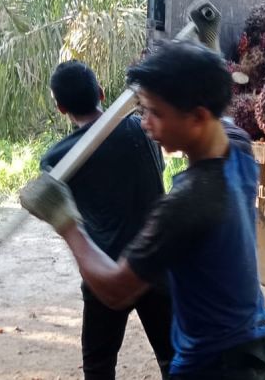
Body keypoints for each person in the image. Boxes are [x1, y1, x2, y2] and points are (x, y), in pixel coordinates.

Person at [23, 43, 265, 379]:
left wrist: (65, 222)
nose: (145, 124)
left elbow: (116, 290)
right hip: (260, 351)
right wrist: (209, 43)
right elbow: (224, 118)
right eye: (142, 110)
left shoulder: (185, 204)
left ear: (198, 116)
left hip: (215, 368)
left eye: (155, 112)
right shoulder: (240, 149)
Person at [42, 60, 174, 379]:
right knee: (175, 359)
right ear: (101, 92)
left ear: (60, 107)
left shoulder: (57, 161)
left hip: (105, 273)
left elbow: (60, 207)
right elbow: (159, 170)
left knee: (99, 367)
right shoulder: (141, 130)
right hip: (156, 264)